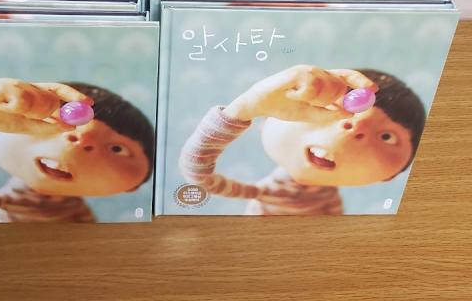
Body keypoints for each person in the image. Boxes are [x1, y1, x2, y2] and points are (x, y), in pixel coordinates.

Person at [179, 66, 425, 215]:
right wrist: (242, 109)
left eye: (386, 136)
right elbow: (199, 177)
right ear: (267, 121)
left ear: (394, 174)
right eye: (332, 107)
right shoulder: (266, 192)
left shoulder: (331, 202)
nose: (355, 127)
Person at [0, 79, 154, 222]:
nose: (82, 140)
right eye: (53, 120)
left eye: (117, 148)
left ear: (135, 185)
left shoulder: (79, 212)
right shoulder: (6, 201)